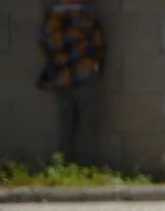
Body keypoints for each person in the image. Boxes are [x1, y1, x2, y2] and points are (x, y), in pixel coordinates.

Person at [37, 0, 106, 166]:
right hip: (85, 74)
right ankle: (85, 167)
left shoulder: (51, 17)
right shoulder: (88, 14)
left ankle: (65, 166)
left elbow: (43, 47)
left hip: (61, 77)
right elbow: (99, 45)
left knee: (67, 123)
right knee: (88, 123)